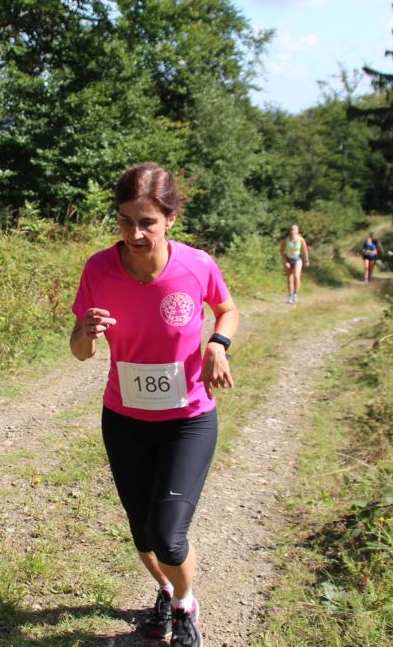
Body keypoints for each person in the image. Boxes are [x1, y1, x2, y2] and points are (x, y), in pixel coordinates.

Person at [70, 163, 239, 647]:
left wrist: (218, 343)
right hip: (124, 419)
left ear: (171, 219)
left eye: (147, 222)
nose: (135, 233)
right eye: (126, 221)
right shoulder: (98, 269)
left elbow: (227, 308)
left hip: (188, 421)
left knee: (168, 534)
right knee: (142, 530)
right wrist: (86, 333)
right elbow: (80, 351)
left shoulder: (196, 265)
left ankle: (185, 603)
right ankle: (165, 589)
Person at [279, 224, 311, 304]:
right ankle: (290, 296)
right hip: (288, 259)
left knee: (296, 276)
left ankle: (295, 294)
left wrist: (306, 260)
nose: (293, 231)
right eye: (292, 230)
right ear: (290, 231)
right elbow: (281, 251)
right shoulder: (286, 240)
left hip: (297, 259)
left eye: (295, 230)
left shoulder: (301, 239)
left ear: (298, 231)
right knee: (289, 278)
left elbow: (305, 250)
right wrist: (285, 261)